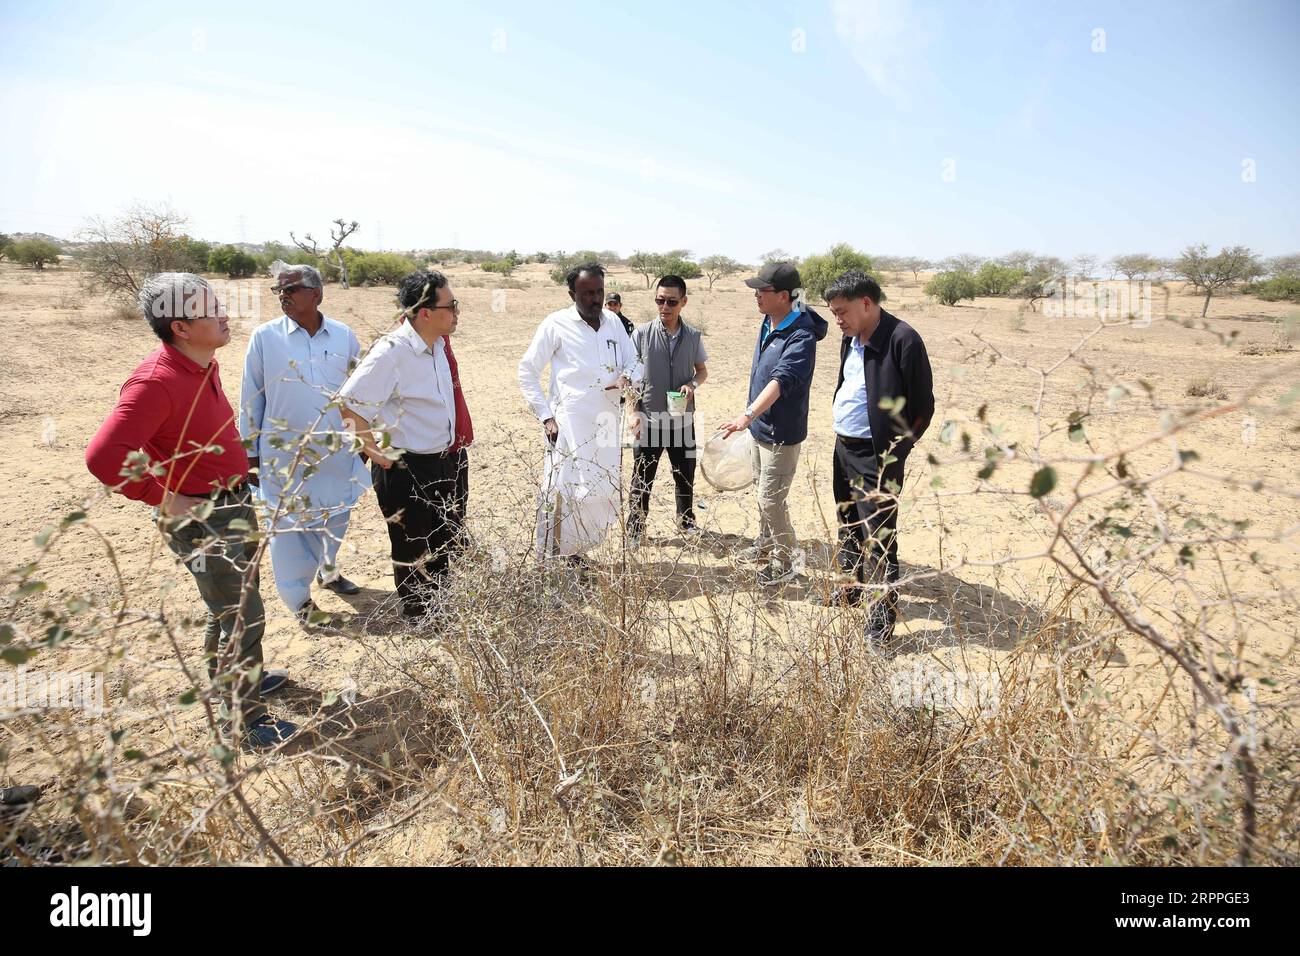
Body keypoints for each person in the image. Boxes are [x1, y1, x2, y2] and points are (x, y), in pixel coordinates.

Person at [85, 273, 296, 750]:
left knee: (229, 606)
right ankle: (244, 723)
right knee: (242, 614)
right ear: (181, 327)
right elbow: (103, 457)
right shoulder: (155, 382)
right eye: (211, 309)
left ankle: (235, 685)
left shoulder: (201, 364)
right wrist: (167, 497)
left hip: (232, 503)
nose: (224, 313)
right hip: (204, 517)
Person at [240, 264, 371, 625]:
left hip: (336, 453)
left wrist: (362, 439)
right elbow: (251, 396)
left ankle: (327, 571)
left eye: (291, 288)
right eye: (278, 290)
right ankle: (299, 601)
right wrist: (249, 452)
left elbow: (360, 394)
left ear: (316, 294)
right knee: (288, 529)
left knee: (335, 516)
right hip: (283, 456)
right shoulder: (264, 337)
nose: (283, 295)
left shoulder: (344, 336)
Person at [338, 270, 469, 619]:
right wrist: (377, 455)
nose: (456, 312)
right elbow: (350, 406)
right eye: (451, 305)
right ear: (424, 312)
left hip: (448, 461)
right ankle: (418, 614)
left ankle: (441, 604)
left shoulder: (438, 345)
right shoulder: (391, 352)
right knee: (412, 547)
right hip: (408, 467)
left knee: (447, 538)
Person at [824, 270, 933, 643]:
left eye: (842, 311)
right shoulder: (849, 339)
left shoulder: (903, 340)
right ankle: (850, 591)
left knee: (881, 539)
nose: (837, 319)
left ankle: (881, 622)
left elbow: (923, 407)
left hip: (877, 457)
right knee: (848, 523)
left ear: (866, 303)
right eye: (833, 312)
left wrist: (895, 452)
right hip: (844, 447)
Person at [518, 262, 643, 565]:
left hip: (606, 423)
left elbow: (635, 360)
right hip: (568, 426)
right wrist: (546, 417)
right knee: (561, 491)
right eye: (587, 293)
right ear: (572, 293)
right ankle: (549, 558)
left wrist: (627, 378)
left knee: (597, 490)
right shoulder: (555, 324)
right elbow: (527, 371)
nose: (595, 299)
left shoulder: (614, 322)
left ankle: (576, 553)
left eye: (599, 292)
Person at [720, 261, 828, 585]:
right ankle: (765, 544)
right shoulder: (770, 322)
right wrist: (752, 419)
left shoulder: (801, 335)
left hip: (781, 434)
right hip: (759, 428)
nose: (756, 295)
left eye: (761, 290)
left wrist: (747, 415)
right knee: (761, 493)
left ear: (783, 295)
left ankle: (787, 560)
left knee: (771, 499)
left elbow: (781, 381)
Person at [628, 274, 709, 545]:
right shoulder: (640, 334)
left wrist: (692, 385)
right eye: (660, 301)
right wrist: (633, 412)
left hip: (682, 421)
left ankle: (686, 523)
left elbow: (702, 371)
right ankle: (636, 530)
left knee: (685, 474)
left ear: (683, 302)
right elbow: (630, 378)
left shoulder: (694, 336)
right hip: (649, 418)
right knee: (642, 476)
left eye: (671, 302)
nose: (665, 307)